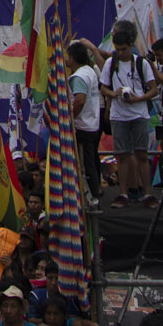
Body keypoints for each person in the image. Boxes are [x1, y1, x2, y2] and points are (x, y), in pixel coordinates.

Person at [100, 23, 159, 208]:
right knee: (122, 156)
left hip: (139, 114)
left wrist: (138, 98)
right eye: (117, 50)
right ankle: (123, 194)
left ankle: (148, 194)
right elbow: (103, 87)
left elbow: (154, 89)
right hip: (119, 116)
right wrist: (113, 94)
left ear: (131, 45)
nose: (121, 53)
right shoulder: (111, 63)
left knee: (142, 154)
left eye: (124, 49)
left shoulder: (142, 63)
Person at [68, 44, 102, 206]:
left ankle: (91, 196)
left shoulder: (79, 76)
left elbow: (80, 100)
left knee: (85, 164)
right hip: (92, 123)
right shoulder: (90, 71)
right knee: (91, 160)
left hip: (82, 126)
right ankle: (95, 191)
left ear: (72, 58)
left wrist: (71, 118)